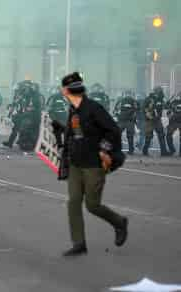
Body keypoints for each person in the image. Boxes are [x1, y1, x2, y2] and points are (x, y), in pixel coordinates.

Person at [59, 72, 128, 257]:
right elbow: (74, 134)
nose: (62, 92)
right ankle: (79, 243)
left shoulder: (93, 108)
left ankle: (119, 222)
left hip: (93, 165)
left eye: (64, 89)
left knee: (92, 205)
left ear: (69, 91)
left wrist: (104, 150)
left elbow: (113, 130)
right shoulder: (73, 110)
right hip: (76, 164)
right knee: (73, 202)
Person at [142, 86, 169, 156]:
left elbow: (165, 106)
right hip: (150, 120)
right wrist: (148, 115)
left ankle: (164, 152)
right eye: (160, 91)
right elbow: (144, 108)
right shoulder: (149, 99)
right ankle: (145, 150)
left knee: (161, 135)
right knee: (148, 136)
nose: (161, 92)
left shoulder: (160, 99)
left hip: (157, 120)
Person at [113, 90, 138, 155]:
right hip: (122, 121)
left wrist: (134, 118)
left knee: (130, 136)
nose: (128, 95)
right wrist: (117, 116)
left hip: (129, 121)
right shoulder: (121, 101)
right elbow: (115, 110)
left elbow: (137, 110)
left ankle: (131, 150)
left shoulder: (133, 101)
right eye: (127, 94)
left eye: (128, 94)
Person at [166, 92, 181, 156]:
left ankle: (175, 151)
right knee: (168, 136)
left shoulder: (174, 102)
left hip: (175, 121)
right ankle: (172, 150)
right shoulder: (174, 101)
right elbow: (167, 107)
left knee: (168, 136)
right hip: (173, 121)